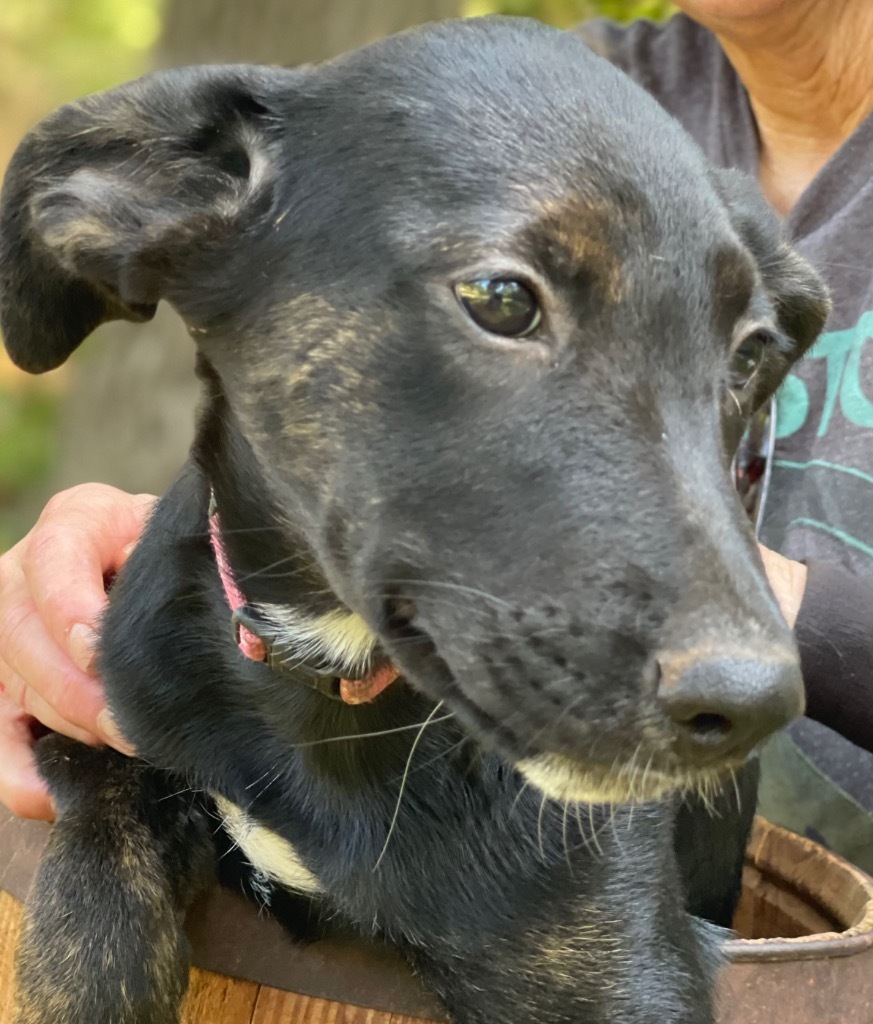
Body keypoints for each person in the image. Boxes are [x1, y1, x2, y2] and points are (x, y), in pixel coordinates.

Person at [1, 0, 873, 868]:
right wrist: (168, 553)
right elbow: (327, 396)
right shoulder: (525, 106)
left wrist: (728, 611)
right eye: (504, 304)